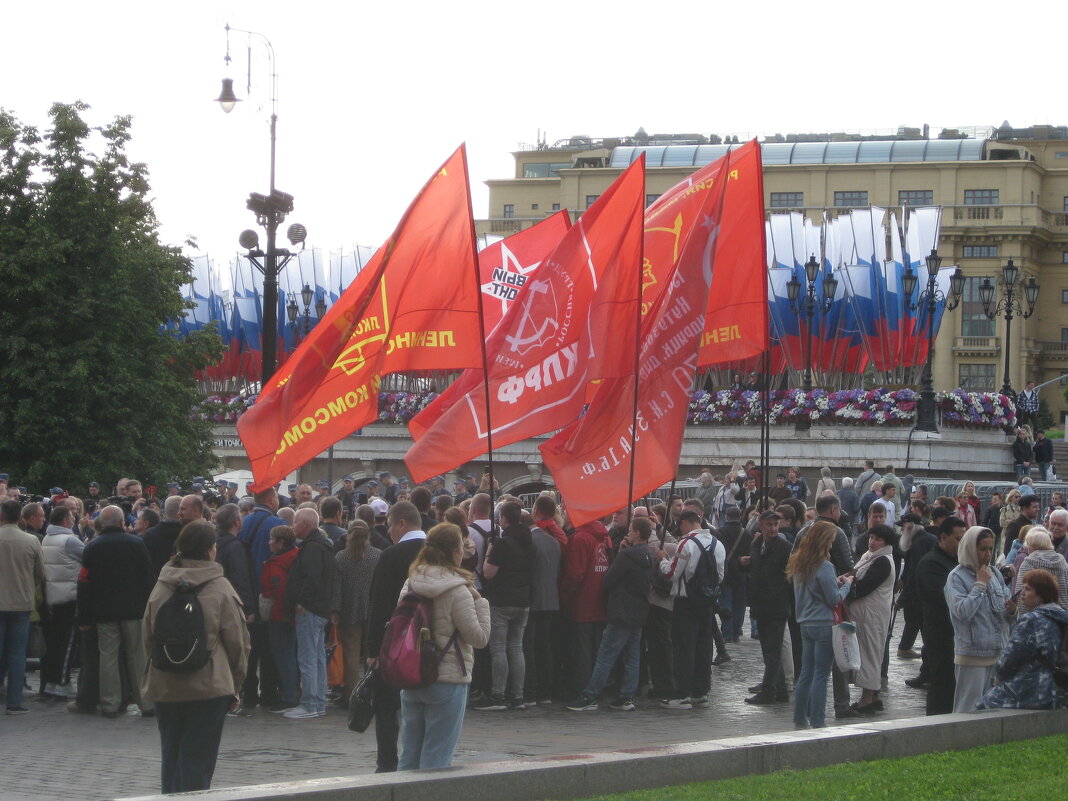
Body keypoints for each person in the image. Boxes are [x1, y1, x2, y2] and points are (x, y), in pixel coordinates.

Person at [141, 521, 250, 794]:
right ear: (210, 550)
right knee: (198, 759)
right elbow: (238, 643)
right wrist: (234, 685)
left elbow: (147, 636)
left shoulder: (162, 585)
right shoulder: (220, 587)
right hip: (209, 685)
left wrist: (158, 668)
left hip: (166, 683)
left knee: (171, 754)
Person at [394, 523, 489, 770]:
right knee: (437, 758)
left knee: (409, 755)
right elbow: (478, 638)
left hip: (411, 673)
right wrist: (482, 604)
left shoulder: (410, 582)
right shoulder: (459, 589)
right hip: (447, 676)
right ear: (454, 551)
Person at [567, 515, 656, 711]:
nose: (628, 533)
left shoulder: (626, 556)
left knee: (606, 654)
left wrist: (621, 554)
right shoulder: (649, 554)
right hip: (639, 610)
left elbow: (609, 580)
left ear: (638, 533)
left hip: (621, 610)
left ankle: (590, 695)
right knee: (633, 655)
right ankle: (627, 696)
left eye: (631, 530)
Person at [77, 504, 155, 718]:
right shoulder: (137, 544)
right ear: (123, 522)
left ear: (101, 523)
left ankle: (110, 703)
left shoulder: (92, 546)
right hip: (134, 610)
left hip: (103, 612)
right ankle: (146, 703)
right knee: (137, 656)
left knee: (108, 657)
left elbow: (84, 582)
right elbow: (148, 578)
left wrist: (83, 615)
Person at [366, 501, 427, 773]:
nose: (388, 530)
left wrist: (371, 650)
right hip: (430, 641)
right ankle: (421, 759)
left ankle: (387, 762)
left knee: (388, 705)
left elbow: (378, 604)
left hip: (394, 640)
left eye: (390, 524)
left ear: (402, 523)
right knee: (424, 705)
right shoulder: (437, 552)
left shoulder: (392, 555)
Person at [656, 510, 724, 709]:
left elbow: (671, 574)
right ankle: (701, 691)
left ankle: (682, 693)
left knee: (684, 647)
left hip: (686, 602)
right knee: (704, 647)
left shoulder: (686, 544)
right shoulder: (717, 544)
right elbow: (720, 576)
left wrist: (662, 559)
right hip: (707, 601)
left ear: (685, 523)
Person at [787, 521, 852, 729]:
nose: (833, 544)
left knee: (806, 673)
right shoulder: (825, 566)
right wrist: (846, 587)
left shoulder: (799, 563)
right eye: (832, 540)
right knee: (821, 675)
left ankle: (799, 717)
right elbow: (833, 599)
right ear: (825, 541)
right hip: (824, 623)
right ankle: (817, 720)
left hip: (805, 622)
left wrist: (835, 581)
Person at [978, 569, 1068, 709]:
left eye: (1028, 589)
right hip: (1058, 689)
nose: (1022, 594)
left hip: (1031, 690)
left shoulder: (1031, 620)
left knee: (983, 705)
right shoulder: (1061, 618)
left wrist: (998, 677)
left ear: (1041, 595)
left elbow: (1007, 662)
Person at [473, 500, 533, 711]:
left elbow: (489, 572)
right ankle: (518, 695)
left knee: (498, 648)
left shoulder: (503, 543)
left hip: (501, 600)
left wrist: (490, 550)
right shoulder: (529, 540)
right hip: (523, 599)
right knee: (516, 648)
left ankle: (498, 695)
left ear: (504, 519)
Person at [945, 526, 1012, 713]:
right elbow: (961, 612)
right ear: (971, 549)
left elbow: (1002, 611)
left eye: (991, 549)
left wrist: (1012, 611)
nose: (987, 554)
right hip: (972, 653)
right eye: (983, 549)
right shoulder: (956, 577)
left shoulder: (996, 573)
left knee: (992, 709)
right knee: (968, 709)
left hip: (997, 652)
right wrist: (980, 585)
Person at [283, 508, 335, 719]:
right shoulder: (322, 546)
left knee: (308, 657)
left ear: (305, 524)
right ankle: (318, 701)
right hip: (320, 608)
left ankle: (310, 703)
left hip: (310, 609)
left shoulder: (312, 548)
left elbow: (311, 579)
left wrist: (301, 602)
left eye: (295, 522)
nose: (293, 526)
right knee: (318, 657)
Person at [916, 516, 966, 714]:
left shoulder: (956, 561)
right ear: (943, 537)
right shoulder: (930, 563)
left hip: (956, 634)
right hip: (940, 634)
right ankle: (936, 728)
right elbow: (942, 598)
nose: (961, 544)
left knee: (954, 684)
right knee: (942, 683)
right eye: (958, 539)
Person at [741, 510, 793, 705]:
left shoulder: (784, 547)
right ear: (761, 525)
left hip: (776, 605)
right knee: (767, 650)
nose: (773, 528)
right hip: (760, 605)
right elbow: (754, 568)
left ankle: (769, 691)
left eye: (775, 525)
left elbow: (789, 577)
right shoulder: (756, 544)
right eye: (769, 524)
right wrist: (742, 563)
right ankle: (779, 690)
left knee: (773, 651)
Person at [845, 524, 897, 714]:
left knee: (869, 655)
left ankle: (867, 700)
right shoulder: (870, 556)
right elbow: (854, 573)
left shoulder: (883, 561)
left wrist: (847, 584)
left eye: (877, 539)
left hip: (872, 616)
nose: (872, 542)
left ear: (886, 543)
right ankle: (873, 696)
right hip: (865, 615)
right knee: (868, 653)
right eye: (871, 537)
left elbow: (864, 586)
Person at [0, 499, 45, 715]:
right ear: (20, 517)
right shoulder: (31, 541)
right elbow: (40, 574)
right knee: (18, 654)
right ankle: (14, 703)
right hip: (21, 602)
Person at [331, 520, 382, 703]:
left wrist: (335, 611)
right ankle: (372, 693)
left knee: (351, 656)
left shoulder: (341, 557)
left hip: (349, 610)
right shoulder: (378, 556)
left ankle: (351, 696)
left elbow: (336, 588)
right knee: (373, 653)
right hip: (373, 609)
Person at [40, 505, 85, 699]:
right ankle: (62, 682)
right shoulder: (70, 540)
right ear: (65, 521)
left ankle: (50, 682)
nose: (74, 519)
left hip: (53, 594)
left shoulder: (46, 538)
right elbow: (89, 557)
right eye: (72, 517)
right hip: (69, 595)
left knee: (55, 641)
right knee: (68, 643)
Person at [260, 525, 300, 712]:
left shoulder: (276, 564)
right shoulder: (297, 556)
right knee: (291, 654)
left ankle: (288, 696)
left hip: (279, 614)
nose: (269, 543)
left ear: (280, 542)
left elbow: (277, 590)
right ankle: (292, 692)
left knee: (283, 656)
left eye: (272, 539)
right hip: (293, 614)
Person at [1013, 528, 1068, 608]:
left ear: (1032, 547)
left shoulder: (1028, 562)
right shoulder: (1063, 563)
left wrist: (1022, 616)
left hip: (1035, 615)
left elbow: (1020, 592)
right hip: (1062, 615)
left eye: (1028, 547)